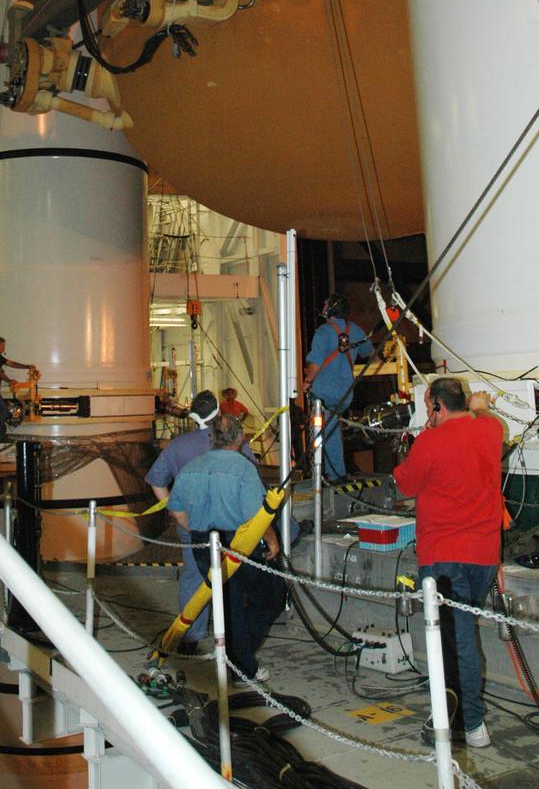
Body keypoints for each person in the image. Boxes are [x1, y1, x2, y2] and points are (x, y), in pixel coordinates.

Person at [393, 377, 504, 750]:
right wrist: (479, 405)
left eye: (429, 406)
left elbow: (404, 484)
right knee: (463, 634)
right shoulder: (490, 430)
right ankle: (461, 712)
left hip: (444, 559)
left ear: (438, 405)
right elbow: (484, 412)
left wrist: (424, 436)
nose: (427, 413)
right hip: (484, 555)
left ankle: (469, 723)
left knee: (453, 642)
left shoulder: (430, 442)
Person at [168, 414, 283, 683]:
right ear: (241, 437)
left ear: (212, 438)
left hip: (203, 543)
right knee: (270, 596)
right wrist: (273, 541)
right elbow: (257, 513)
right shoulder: (243, 469)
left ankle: (236, 657)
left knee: (227, 604)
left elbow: (175, 509)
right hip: (238, 544)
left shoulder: (192, 467)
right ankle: (242, 664)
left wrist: (195, 530)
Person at [146, 391, 257, 655]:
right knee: (233, 578)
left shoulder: (177, 446)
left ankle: (190, 636)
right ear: (219, 412)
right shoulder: (232, 443)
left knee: (194, 576)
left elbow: (155, 480)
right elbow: (251, 480)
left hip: (193, 525)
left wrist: (178, 514)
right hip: (230, 523)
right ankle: (234, 639)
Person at [304, 292, 374, 483]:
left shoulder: (323, 332)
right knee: (332, 429)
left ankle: (332, 474)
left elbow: (316, 362)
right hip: (345, 392)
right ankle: (331, 471)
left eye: (326, 304)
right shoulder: (356, 331)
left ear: (331, 308)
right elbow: (369, 352)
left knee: (325, 432)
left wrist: (307, 382)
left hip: (324, 391)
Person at [0, 337, 34, 442]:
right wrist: (9, 381)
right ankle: (1, 435)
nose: (4, 348)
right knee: (3, 410)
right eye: (2, 346)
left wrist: (27, 367)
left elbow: (11, 363)